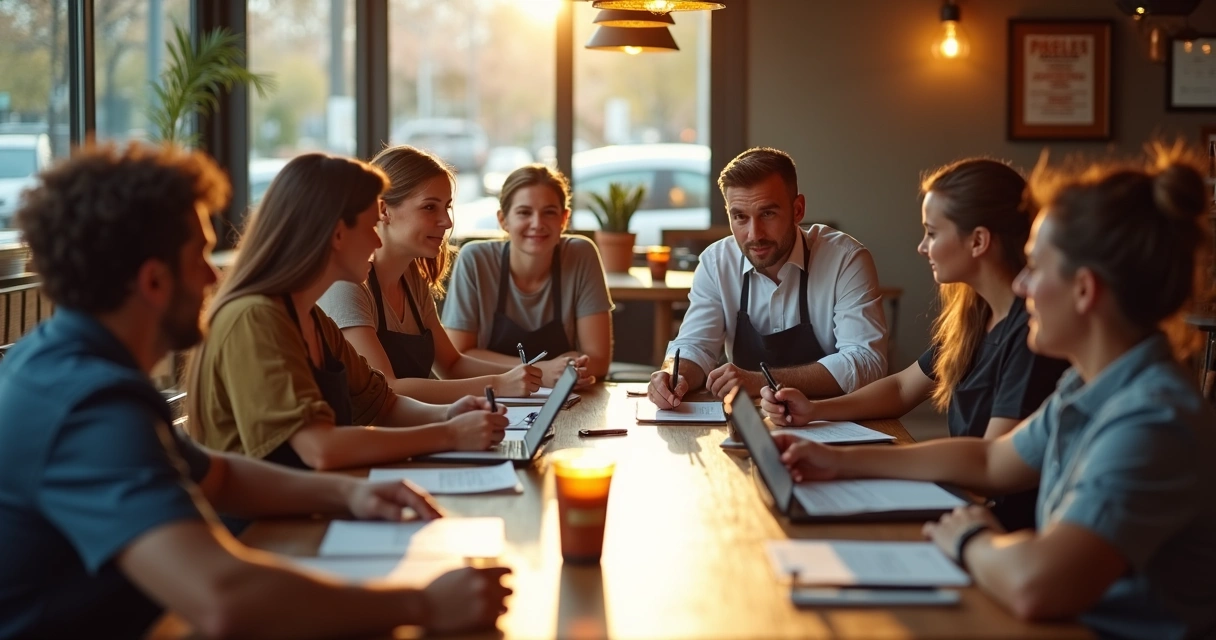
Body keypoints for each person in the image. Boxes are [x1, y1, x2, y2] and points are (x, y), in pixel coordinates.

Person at [0, 143, 511, 639]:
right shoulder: (86, 405)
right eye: (199, 256)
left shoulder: (72, 367)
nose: (213, 275)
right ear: (153, 281)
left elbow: (215, 474)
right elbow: (223, 599)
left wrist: (349, 492)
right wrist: (422, 603)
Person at [772, 147, 1216, 637]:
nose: (1022, 284)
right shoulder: (1089, 386)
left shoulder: (1152, 420)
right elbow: (991, 462)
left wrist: (971, 539)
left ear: (1084, 291)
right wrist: (837, 461)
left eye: (1035, 267)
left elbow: (1035, 584)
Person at [760, 158, 1069, 531]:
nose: (922, 247)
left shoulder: (1030, 334)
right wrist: (816, 409)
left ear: (979, 241)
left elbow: (989, 464)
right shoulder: (977, 316)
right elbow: (904, 387)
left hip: (999, 527)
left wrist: (838, 461)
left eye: (932, 233)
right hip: (968, 506)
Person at [187, 153, 508, 471]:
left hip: (313, 505)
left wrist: (451, 415)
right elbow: (320, 450)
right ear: (338, 234)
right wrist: (448, 434)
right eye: (371, 225)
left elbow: (385, 404)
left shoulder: (314, 319)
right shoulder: (256, 317)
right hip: (269, 522)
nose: (376, 239)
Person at [648, 147, 888, 408]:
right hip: (750, 426)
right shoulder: (716, 263)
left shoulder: (845, 259)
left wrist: (760, 380)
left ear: (798, 210)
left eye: (768, 214)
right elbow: (695, 346)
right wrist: (674, 374)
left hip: (832, 421)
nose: (754, 234)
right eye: (740, 217)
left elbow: (866, 362)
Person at [318, 145, 542, 403]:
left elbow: (452, 365)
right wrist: (498, 384)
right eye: (429, 208)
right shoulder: (347, 285)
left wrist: (531, 375)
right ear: (384, 210)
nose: (446, 222)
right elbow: (386, 389)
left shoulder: (412, 278)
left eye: (446, 207)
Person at [443, 164, 612, 387]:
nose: (537, 223)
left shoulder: (581, 255)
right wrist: (543, 371)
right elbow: (458, 359)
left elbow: (598, 360)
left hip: (566, 401)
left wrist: (564, 369)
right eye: (524, 212)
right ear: (503, 220)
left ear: (564, 219)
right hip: (489, 401)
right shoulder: (475, 259)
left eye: (549, 213)